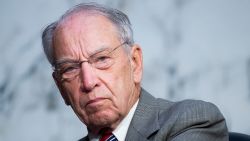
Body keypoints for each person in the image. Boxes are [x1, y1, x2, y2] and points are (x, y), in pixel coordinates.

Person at [41, 3, 228, 141]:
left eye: (102, 59)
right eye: (70, 68)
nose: (89, 82)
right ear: (60, 87)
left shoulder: (194, 120)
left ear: (135, 63)